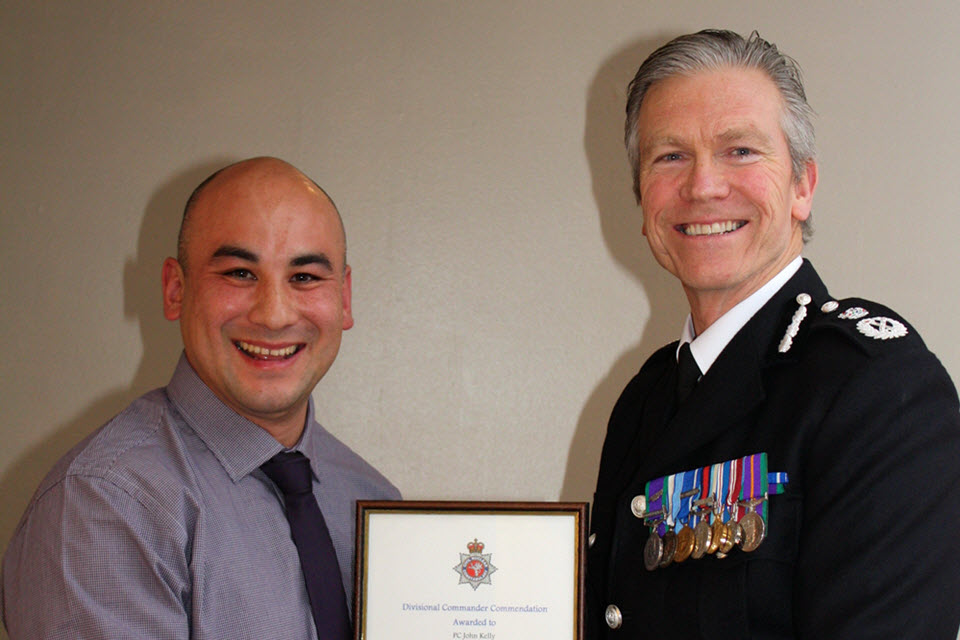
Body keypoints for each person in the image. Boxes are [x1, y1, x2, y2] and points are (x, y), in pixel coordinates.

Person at [586, 30, 960, 639]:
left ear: (803, 187)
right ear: (641, 196)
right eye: (670, 156)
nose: (703, 186)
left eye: (740, 151)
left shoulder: (877, 388)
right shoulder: (643, 401)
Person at [1, 157, 400, 639]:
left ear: (343, 298)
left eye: (304, 277)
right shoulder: (105, 506)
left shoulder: (372, 501)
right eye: (238, 273)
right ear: (175, 289)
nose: (274, 315)